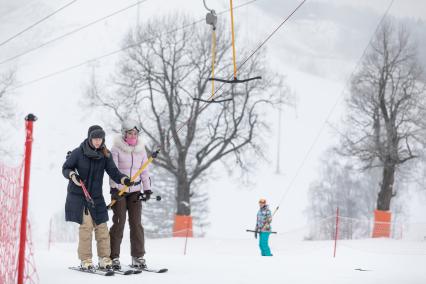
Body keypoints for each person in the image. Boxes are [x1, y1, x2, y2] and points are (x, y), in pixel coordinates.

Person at [62, 125, 134, 270]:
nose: (97, 141)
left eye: (100, 139)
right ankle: (86, 260)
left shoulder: (105, 155)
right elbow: (66, 168)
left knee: (102, 228)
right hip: (80, 196)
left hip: (96, 197)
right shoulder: (78, 152)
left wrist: (124, 179)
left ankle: (104, 258)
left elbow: (114, 172)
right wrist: (72, 175)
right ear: (90, 138)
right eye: (95, 138)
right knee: (86, 227)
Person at [109, 120, 152, 270]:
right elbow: (112, 170)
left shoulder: (141, 150)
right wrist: (116, 186)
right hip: (119, 191)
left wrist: (147, 189)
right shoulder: (116, 149)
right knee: (119, 223)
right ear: (124, 133)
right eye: (130, 133)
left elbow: (145, 172)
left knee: (136, 224)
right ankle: (113, 257)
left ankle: (138, 256)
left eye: (135, 133)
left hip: (135, 192)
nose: (133, 135)